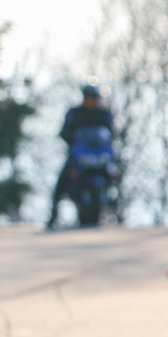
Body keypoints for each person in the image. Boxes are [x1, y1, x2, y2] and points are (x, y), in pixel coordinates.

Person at [47, 83, 115, 228]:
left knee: (114, 173)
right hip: (79, 155)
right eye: (90, 97)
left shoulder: (104, 113)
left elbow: (111, 133)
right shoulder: (75, 113)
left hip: (100, 154)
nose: (93, 100)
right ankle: (53, 218)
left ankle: (115, 212)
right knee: (62, 183)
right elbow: (64, 131)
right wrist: (72, 139)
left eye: (95, 97)